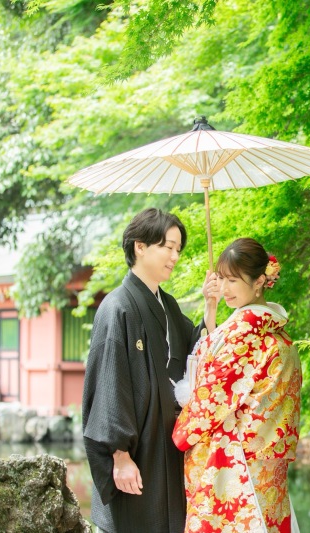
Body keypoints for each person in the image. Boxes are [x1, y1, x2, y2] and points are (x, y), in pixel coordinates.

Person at [82, 207, 218, 533]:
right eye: (167, 246)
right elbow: (109, 383)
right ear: (140, 247)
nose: (174, 256)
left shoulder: (167, 304)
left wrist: (210, 306)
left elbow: (197, 351)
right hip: (137, 451)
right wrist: (119, 456)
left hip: (167, 445)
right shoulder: (117, 307)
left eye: (178, 249)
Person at [172, 237, 301, 533]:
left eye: (233, 280)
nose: (225, 288)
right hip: (266, 461)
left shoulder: (243, 332)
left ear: (258, 281)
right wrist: (211, 311)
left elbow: (212, 394)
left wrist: (182, 433)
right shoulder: (273, 329)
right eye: (221, 279)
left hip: (235, 462)